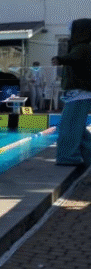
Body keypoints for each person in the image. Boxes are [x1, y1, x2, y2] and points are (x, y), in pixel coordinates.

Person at [51, 18, 91, 168]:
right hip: (79, 94)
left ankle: (68, 157)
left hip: (80, 94)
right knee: (78, 129)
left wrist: (60, 59)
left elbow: (74, 59)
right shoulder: (82, 47)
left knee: (70, 126)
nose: (69, 34)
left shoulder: (82, 48)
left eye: (72, 31)